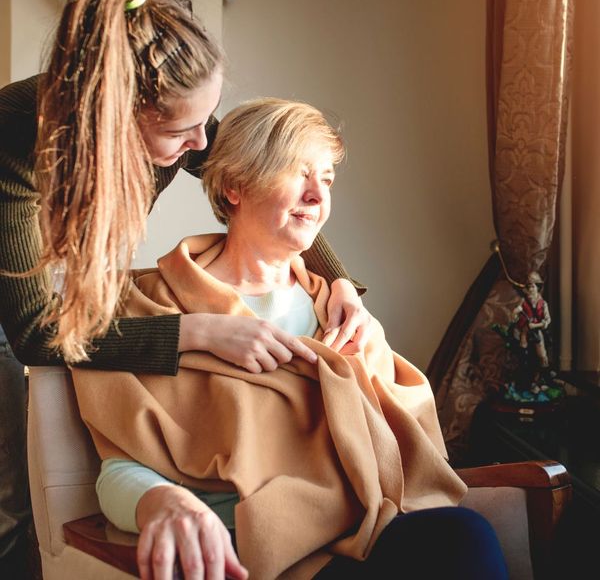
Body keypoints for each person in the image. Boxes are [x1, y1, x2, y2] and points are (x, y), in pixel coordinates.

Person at [0, 0, 369, 571]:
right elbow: (34, 334)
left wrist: (339, 277)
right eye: (179, 135)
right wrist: (195, 331)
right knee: (10, 501)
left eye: (205, 122)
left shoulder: (180, 107)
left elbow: (253, 173)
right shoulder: (14, 142)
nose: (202, 145)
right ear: (112, 119)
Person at [72, 98, 509, 580]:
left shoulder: (340, 311)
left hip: (361, 530)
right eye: (298, 173)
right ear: (235, 186)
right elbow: (119, 468)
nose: (318, 197)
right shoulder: (150, 309)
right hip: (246, 548)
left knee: (463, 536)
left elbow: (409, 454)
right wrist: (162, 501)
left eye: (326, 179)